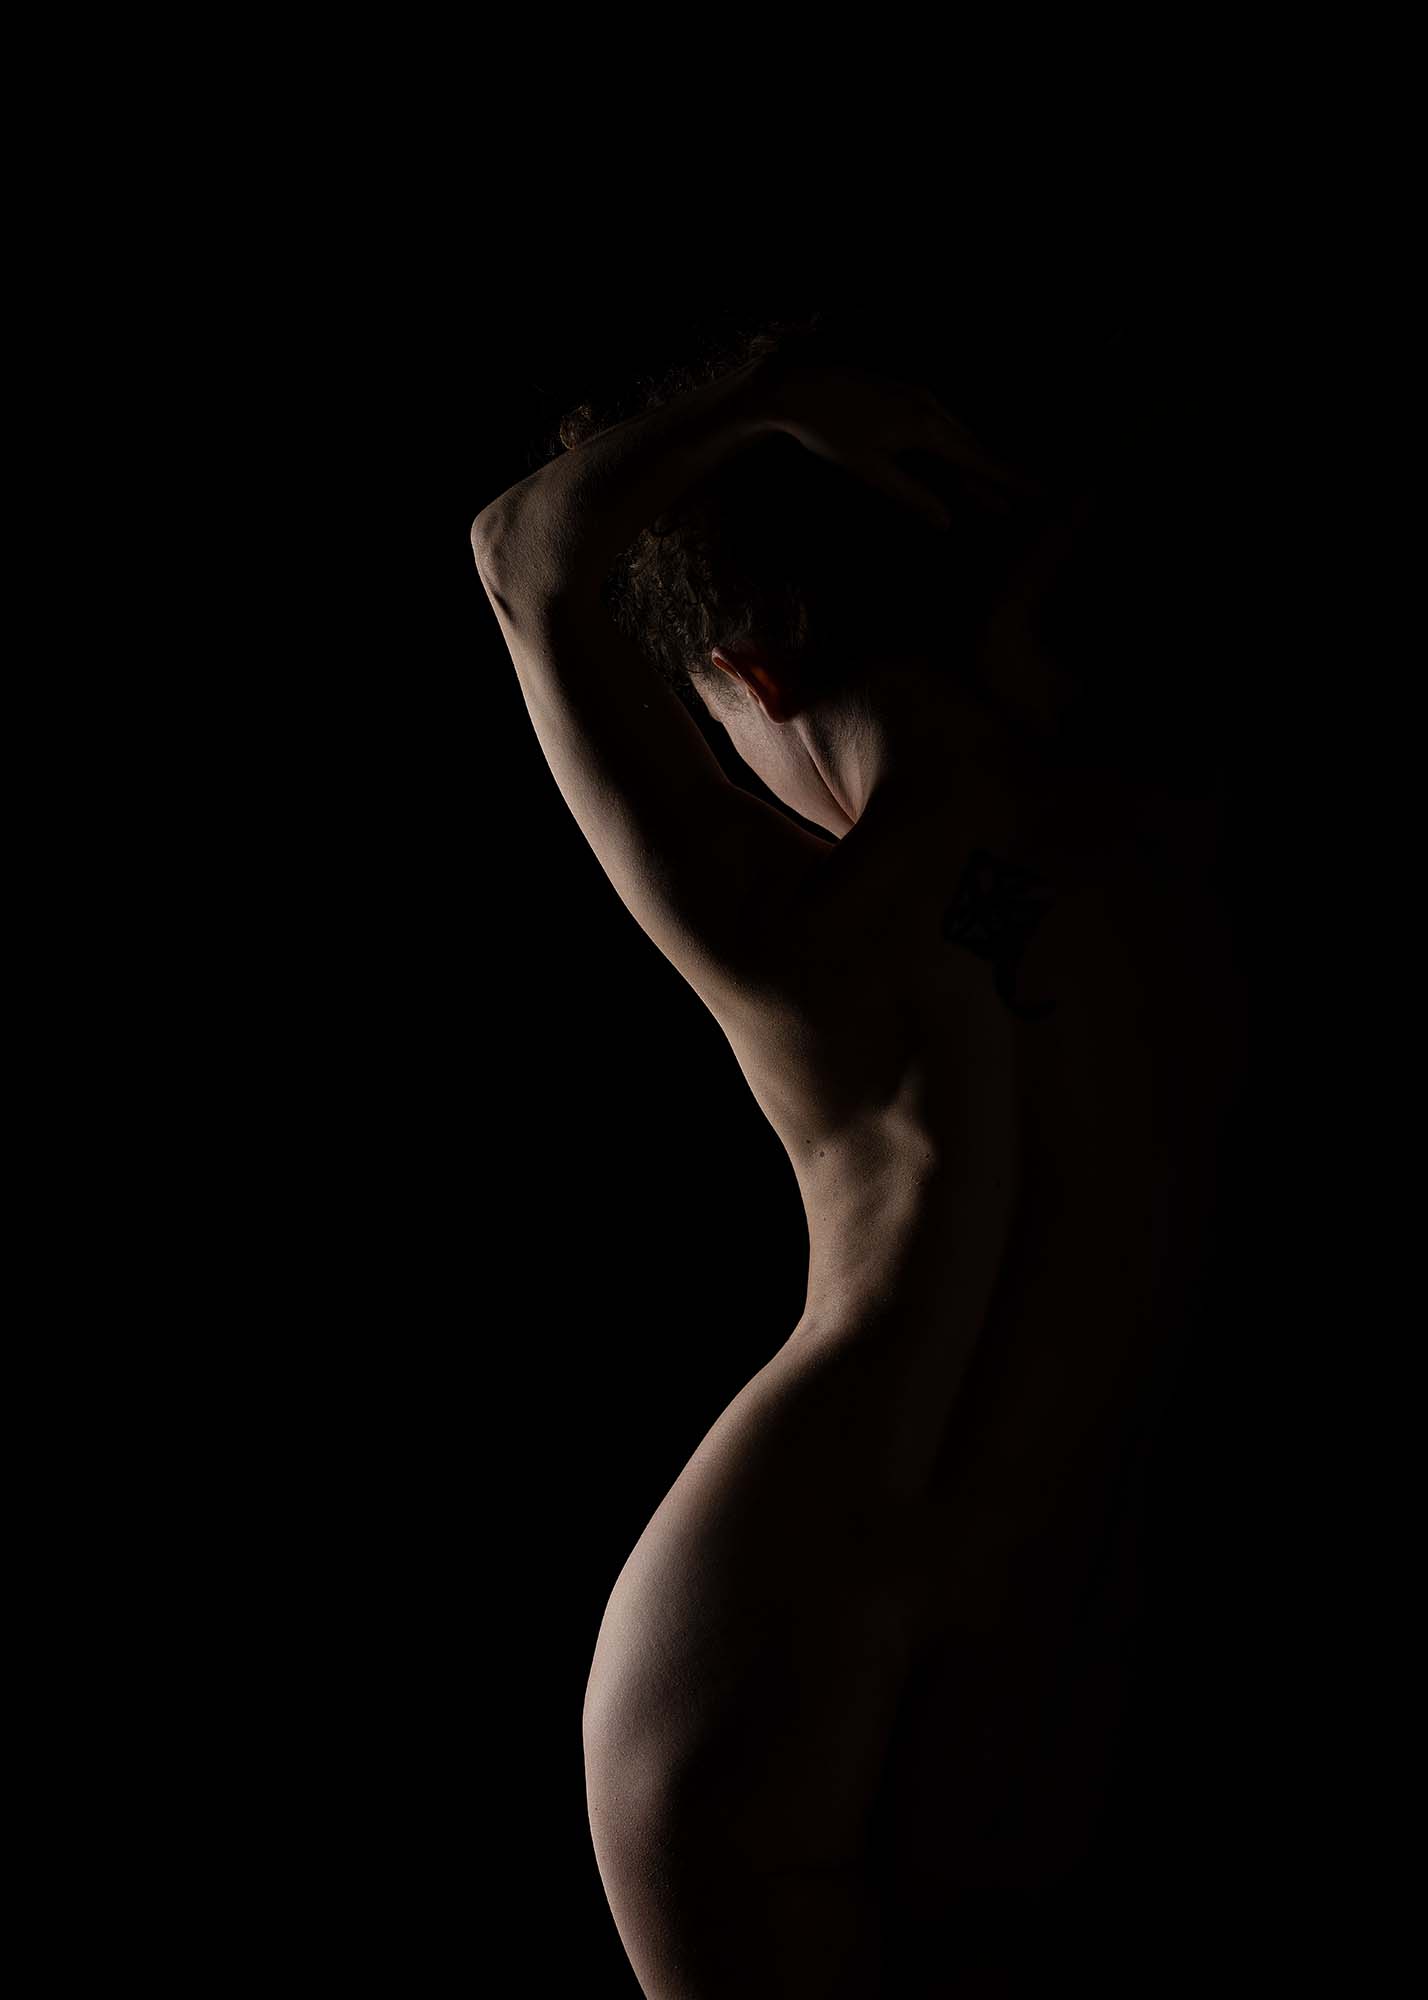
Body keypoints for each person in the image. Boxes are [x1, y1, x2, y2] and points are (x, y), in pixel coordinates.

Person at [472, 317, 1248, 1997]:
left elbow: (521, 554)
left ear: (751, 675)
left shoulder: (791, 934)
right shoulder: (1169, 856)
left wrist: (773, 392)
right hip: (1048, 1636)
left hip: (759, 1615)